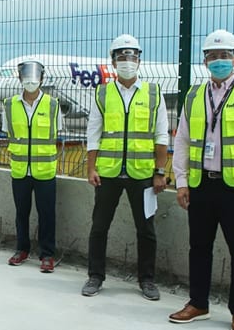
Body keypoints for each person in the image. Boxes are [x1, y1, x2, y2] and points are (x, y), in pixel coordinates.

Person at [168, 30, 234, 330]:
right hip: (202, 185)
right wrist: (182, 181)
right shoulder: (194, 96)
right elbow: (183, 141)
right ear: (204, 61)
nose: (218, 61)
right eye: (213, 56)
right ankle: (198, 303)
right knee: (199, 247)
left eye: (224, 56)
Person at [82, 34, 168, 300]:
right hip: (108, 173)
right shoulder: (102, 93)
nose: (127, 62)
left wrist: (160, 171)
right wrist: (91, 168)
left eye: (131, 56)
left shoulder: (153, 93)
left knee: (146, 229)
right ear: (113, 61)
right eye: (121, 57)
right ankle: (95, 276)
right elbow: (94, 133)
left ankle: (147, 280)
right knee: (99, 227)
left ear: (139, 60)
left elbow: (161, 135)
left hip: (142, 175)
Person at [2, 60, 62, 273]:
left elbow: (56, 134)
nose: (30, 81)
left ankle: (47, 255)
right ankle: (22, 249)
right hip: (20, 170)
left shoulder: (53, 105)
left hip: (44, 171)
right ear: (19, 79)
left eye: (34, 76)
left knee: (46, 214)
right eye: (25, 76)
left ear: (42, 79)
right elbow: (8, 132)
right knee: (21, 212)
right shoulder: (9, 105)